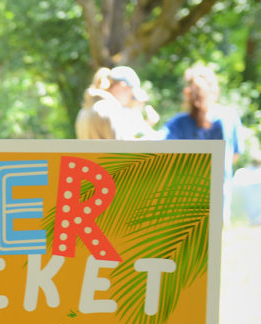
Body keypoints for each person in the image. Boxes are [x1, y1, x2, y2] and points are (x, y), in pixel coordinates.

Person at [162, 63, 244, 223]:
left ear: (187, 93)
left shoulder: (178, 123)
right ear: (215, 91)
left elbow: (158, 147)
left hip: (184, 200)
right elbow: (235, 155)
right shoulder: (230, 117)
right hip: (219, 197)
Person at [74, 65, 157, 140]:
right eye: (131, 92)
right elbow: (124, 152)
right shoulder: (108, 109)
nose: (131, 98)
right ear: (121, 86)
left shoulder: (86, 109)